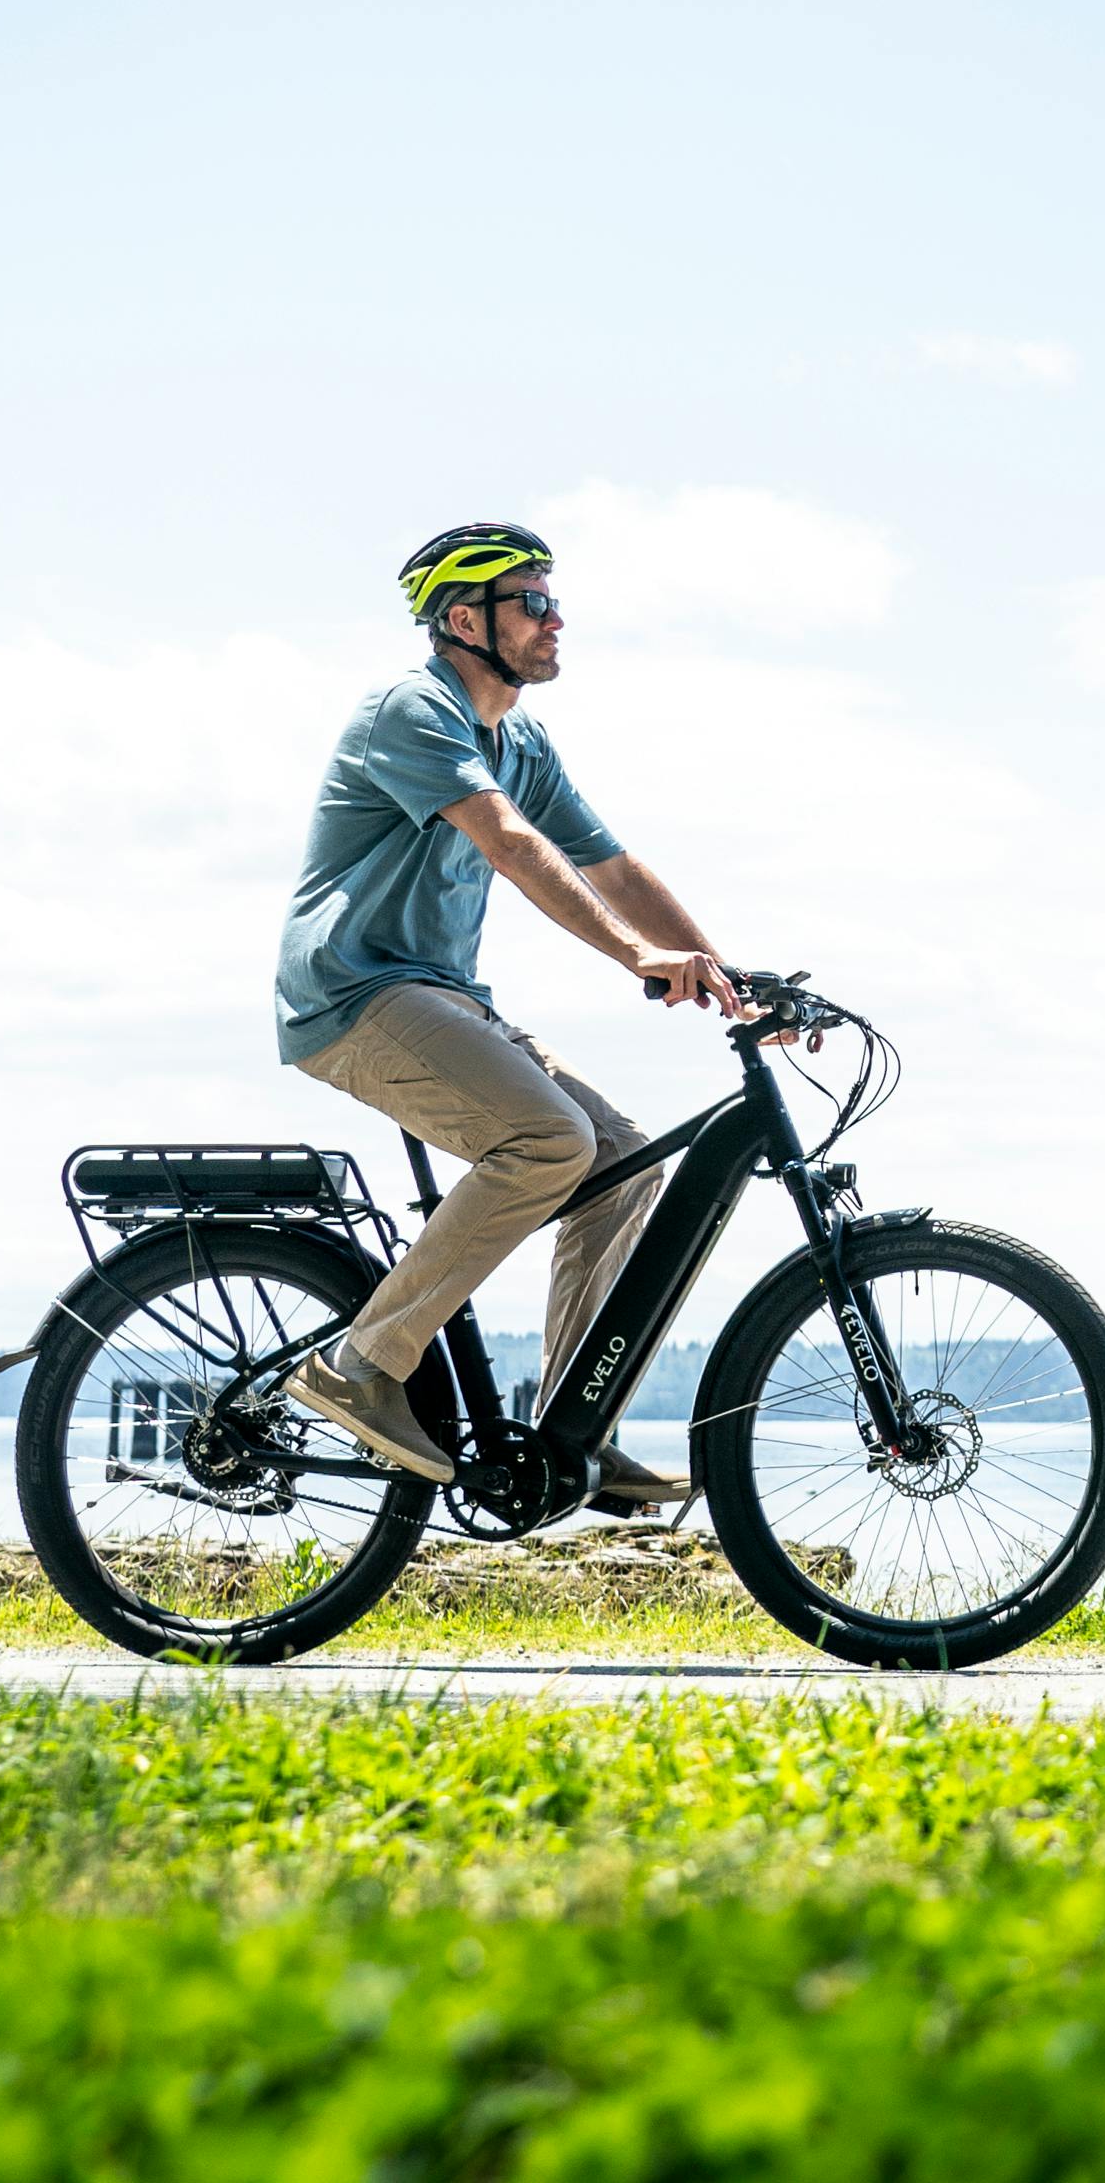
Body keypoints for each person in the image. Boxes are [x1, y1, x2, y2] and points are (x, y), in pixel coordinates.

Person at [274, 520, 751, 1503]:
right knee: (546, 1140)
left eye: (553, 600)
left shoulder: (520, 738)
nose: (554, 618)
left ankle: (578, 1425)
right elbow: (510, 843)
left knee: (620, 1162)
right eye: (532, 602)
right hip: (355, 993)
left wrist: (719, 973)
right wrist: (635, 955)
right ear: (464, 618)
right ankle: (362, 1364)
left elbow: (611, 864)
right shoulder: (414, 712)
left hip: (440, 996)